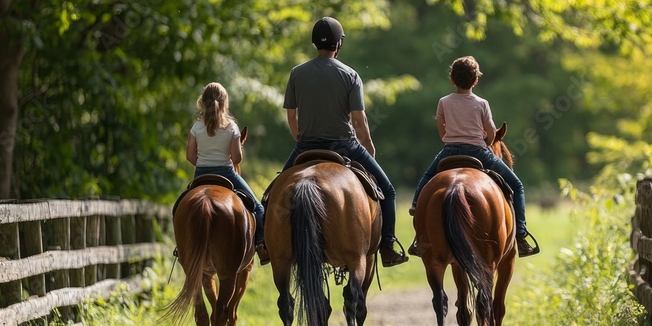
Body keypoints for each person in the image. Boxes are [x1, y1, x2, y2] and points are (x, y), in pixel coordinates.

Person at [280, 16, 409, 267]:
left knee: (271, 195)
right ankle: (387, 246)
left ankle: (264, 244)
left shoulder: (297, 73)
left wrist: (300, 137)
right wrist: (368, 148)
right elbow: (359, 122)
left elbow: (291, 115)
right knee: (389, 191)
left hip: (306, 146)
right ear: (338, 44)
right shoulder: (350, 75)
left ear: (314, 43)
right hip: (344, 145)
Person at [409, 56, 539, 257]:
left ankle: (417, 210)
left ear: (452, 80)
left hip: (449, 150)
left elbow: (442, 134)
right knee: (517, 186)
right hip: (478, 151)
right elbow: (491, 134)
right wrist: (483, 143)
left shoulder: (443, 102)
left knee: (427, 178)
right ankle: (520, 236)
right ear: (475, 80)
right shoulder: (482, 103)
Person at [186, 81, 269, 264]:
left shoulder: (196, 128)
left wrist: (203, 163)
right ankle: (261, 247)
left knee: (180, 208)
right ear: (225, 102)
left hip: (201, 175)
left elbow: (190, 156)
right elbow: (237, 159)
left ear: (202, 102)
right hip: (227, 174)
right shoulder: (231, 127)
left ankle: (181, 247)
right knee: (259, 208)